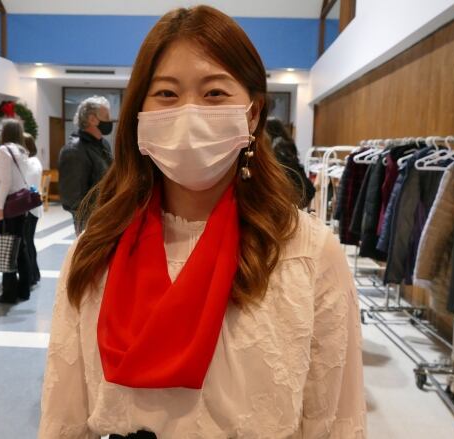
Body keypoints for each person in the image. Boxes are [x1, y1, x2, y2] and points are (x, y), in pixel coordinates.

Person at [39, 6, 365, 439]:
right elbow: (64, 417)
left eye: (214, 93)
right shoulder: (97, 250)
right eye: (167, 95)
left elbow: (334, 421)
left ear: (252, 113)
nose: (189, 114)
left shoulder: (305, 253)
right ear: (139, 113)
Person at [0, 119, 35, 304]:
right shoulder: (22, 150)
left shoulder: (4, 150)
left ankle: (8, 292)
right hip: (20, 204)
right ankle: (24, 289)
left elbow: (4, 182)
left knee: (6, 248)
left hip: (7, 204)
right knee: (21, 246)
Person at [58, 95, 113, 232]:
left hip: (107, 215)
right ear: (92, 119)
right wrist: (93, 220)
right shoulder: (74, 150)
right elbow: (72, 199)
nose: (110, 121)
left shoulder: (103, 145)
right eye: (106, 117)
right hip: (91, 223)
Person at [265, 118, 315, 209]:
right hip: (296, 193)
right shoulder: (285, 145)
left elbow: (285, 174)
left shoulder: (279, 148)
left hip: (291, 195)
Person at [22, 132, 42, 285]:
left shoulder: (30, 163)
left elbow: (26, 185)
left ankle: (31, 275)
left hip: (29, 209)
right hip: (32, 208)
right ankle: (33, 273)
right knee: (28, 242)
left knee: (27, 242)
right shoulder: (33, 161)